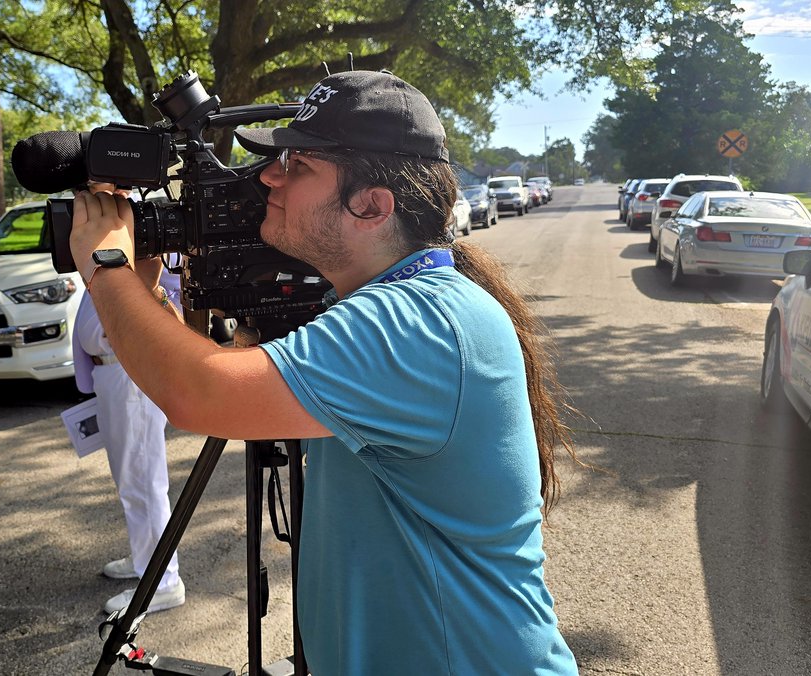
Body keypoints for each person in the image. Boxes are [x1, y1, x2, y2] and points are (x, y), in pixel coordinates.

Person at [68, 70, 579, 674]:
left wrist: (107, 265)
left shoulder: (416, 323)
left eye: (298, 165)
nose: (267, 177)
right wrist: (148, 299)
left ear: (371, 205)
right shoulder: (395, 306)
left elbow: (198, 393)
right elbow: (239, 387)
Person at [71, 232, 185, 615]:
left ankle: (163, 580)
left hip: (129, 372)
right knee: (131, 479)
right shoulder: (112, 232)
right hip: (113, 375)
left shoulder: (147, 232)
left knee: (143, 479)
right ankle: (146, 560)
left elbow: (174, 299)